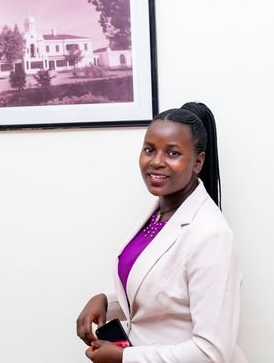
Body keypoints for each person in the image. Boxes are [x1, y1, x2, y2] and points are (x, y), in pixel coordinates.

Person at [76, 102, 248, 363]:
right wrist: (105, 302)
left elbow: (211, 352)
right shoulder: (159, 215)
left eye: (173, 153)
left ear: (198, 162)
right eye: (149, 150)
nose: (156, 162)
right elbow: (165, 296)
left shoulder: (212, 235)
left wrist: (125, 358)